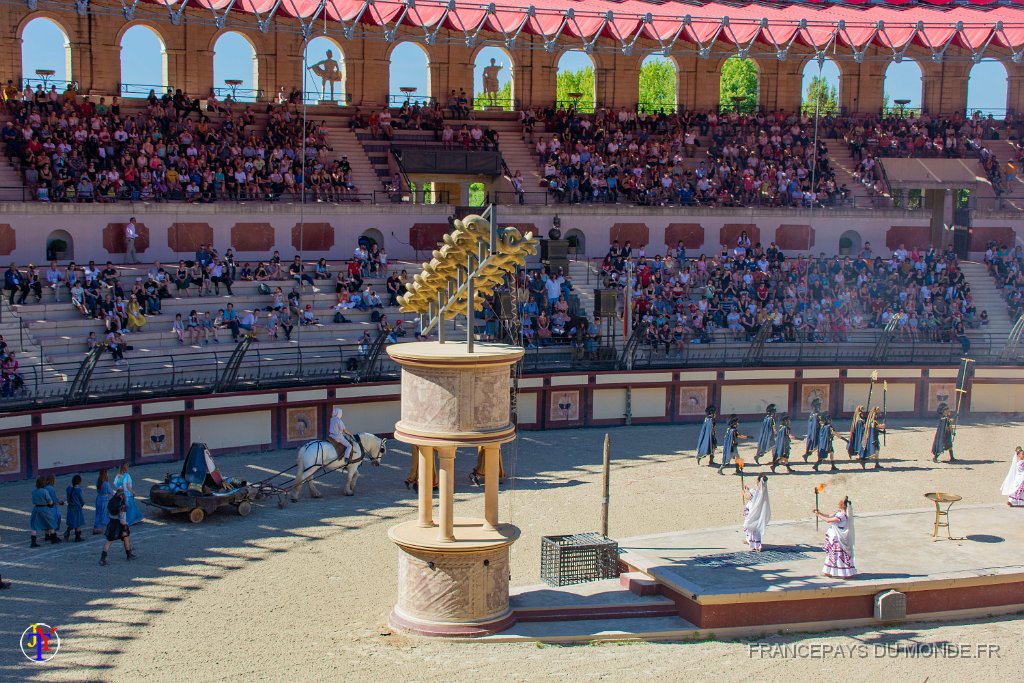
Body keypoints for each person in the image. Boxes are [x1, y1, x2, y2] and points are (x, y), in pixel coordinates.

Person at [814, 497, 856, 579]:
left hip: (837, 538)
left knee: (838, 555)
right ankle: (827, 571)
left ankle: (844, 572)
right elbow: (829, 515)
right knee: (831, 554)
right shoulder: (839, 512)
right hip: (833, 536)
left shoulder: (842, 515)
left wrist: (818, 515)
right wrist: (819, 513)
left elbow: (828, 520)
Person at [100, 488, 137, 566]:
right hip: (120, 524)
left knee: (109, 541)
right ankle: (129, 555)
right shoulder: (122, 506)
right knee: (126, 537)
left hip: (112, 523)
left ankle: (103, 558)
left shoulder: (111, 502)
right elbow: (122, 520)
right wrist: (125, 526)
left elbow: (109, 513)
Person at [742, 475, 771, 552]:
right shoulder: (764, 492)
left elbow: (748, 497)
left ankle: (750, 542)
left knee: (750, 527)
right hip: (760, 512)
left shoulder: (754, 490)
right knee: (757, 528)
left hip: (753, 511)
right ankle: (757, 544)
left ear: (758, 481)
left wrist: (745, 492)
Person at [30, 477, 60, 547]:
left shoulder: (33, 490)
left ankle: (33, 542)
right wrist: (51, 504)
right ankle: (53, 538)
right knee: (51, 523)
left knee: (34, 526)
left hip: (36, 508)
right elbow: (50, 501)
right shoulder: (44, 491)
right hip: (44, 508)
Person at [63, 475, 85, 542]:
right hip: (77, 508)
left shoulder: (69, 488)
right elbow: (81, 500)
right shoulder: (78, 490)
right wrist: (82, 504)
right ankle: (77, 537)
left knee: (72, 521)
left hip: (70, 507)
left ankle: (67, 531)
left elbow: (68, 499)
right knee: (78, 523)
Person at [93, 468, 114, 535]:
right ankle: (104, 526)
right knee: (104, 513)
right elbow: (111, 492)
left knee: (98, 513)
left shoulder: (98, 481)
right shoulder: (106, 483)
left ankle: (96, 527)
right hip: (104, 499)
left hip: (98, 498)